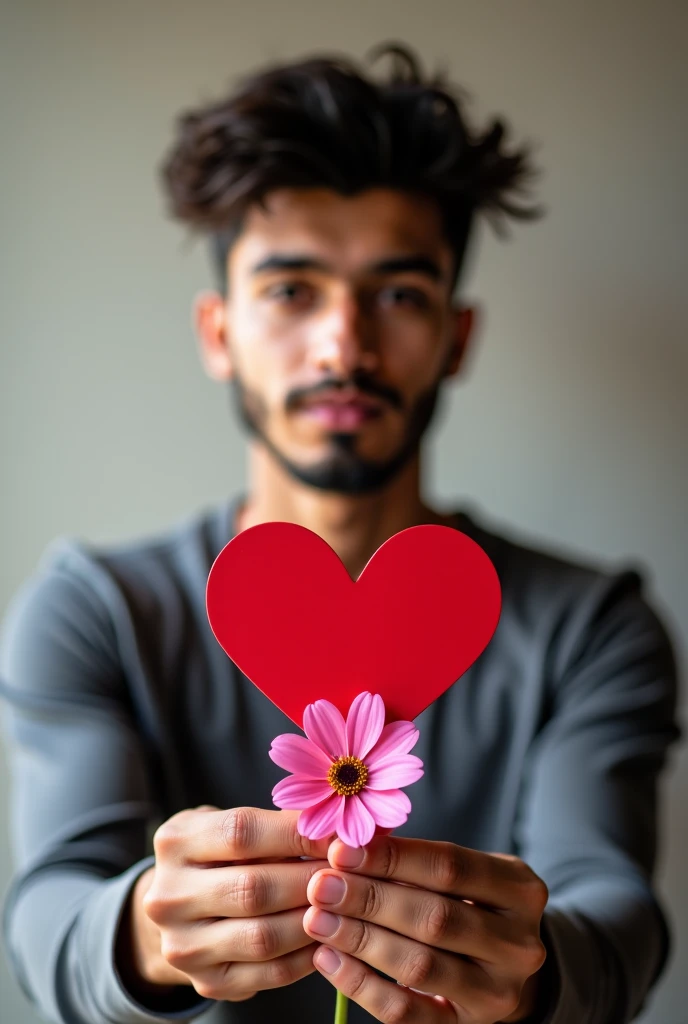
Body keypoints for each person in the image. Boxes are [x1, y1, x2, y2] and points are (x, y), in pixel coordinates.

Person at [0, 42, 680, 1024]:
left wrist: (530, 975)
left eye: (398, 293)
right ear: (218, 331)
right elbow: (49, 915)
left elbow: (615, 918)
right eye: (290, 290)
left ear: (456, 335)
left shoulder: (593, 627)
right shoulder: (93, 612)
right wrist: (148, 926)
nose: (343, 345)